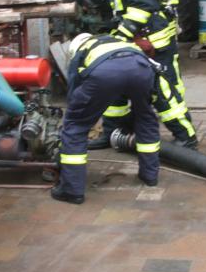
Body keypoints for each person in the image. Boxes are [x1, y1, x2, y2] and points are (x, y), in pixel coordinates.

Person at [67, 0, 198, 150]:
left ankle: (186, 136)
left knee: (161, 89)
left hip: (152, 37)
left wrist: (120, 36)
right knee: (115, 86)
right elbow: (106, 0)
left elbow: (142, 5)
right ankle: (112, 133)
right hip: (130, 36)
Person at [51, 32, 160, 204]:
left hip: (105, 73)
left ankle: (72, 190)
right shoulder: (116, 41)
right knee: (145, 118)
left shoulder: (81, 51)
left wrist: (76, 114)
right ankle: (150, 176)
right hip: (141, 68)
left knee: (75, 127)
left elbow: (74, 88)